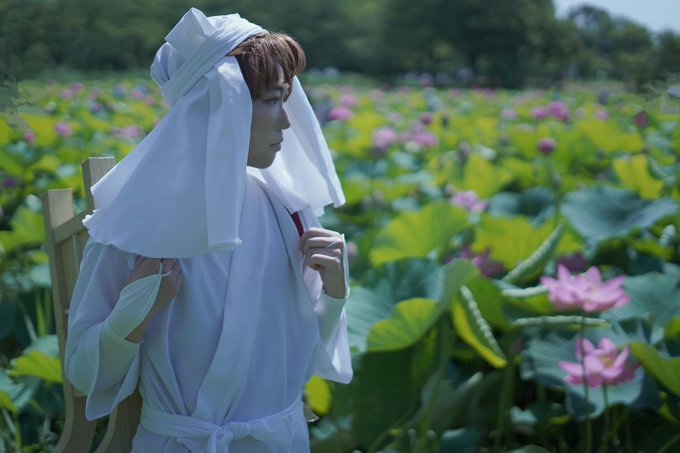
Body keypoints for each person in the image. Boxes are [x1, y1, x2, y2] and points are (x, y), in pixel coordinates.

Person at [64, 8, 352, 452]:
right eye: (271, 101)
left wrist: (334, 296)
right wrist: (130, 316)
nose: (287, 121)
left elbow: (303, 357)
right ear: (221, 104)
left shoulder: (289, 211)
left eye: (286, 99)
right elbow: (85, 375)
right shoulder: (135, 223)